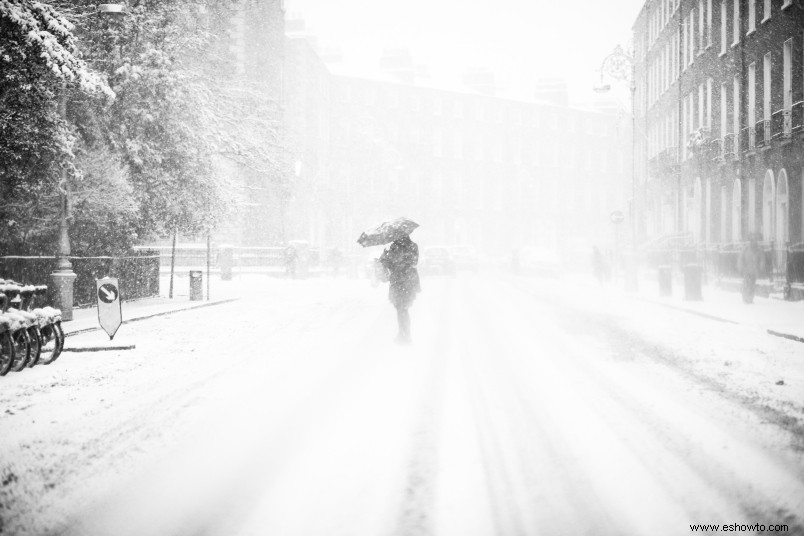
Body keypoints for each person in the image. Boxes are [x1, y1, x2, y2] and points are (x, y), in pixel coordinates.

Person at [379, 234, 421, 343]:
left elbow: (411, 262)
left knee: (402, 309)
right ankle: (404, 333)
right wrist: (384, 257)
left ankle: (405, 334)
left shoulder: (398, 247)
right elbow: (390, 264)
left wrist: (390, 258)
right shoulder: (410, 246)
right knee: (401, 309)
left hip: (402, 281)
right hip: (406, 281)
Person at [738, 237, 761, 304]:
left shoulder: (757, 250)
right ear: (751, 242)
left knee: (752, 285)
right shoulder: (745, 249)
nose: (755, 242)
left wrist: (760, 267)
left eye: (756, 241)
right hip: (746, 270)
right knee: (747, 285)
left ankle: (750, 298)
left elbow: (760, 259)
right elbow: (741, 259)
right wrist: (741, 268)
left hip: (754, 271)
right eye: (754, 241)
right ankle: (745, 298)